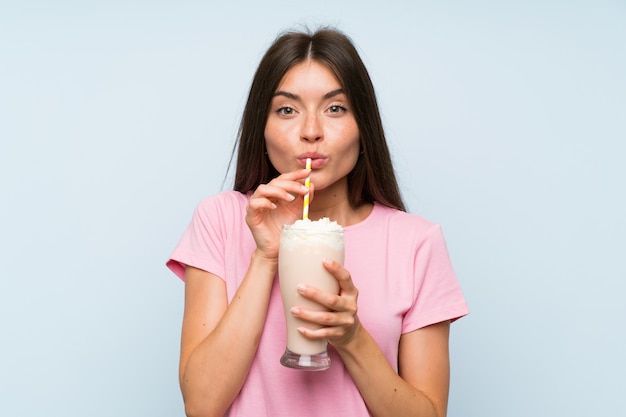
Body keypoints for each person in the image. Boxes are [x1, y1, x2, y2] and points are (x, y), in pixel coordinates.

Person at [166, 27, 468, 417]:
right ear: (262, 125)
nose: (311, 132)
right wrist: (266, 258)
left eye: (335, 108)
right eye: (287, 110)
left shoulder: (417, 243)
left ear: (364, 126)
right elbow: (201, 405)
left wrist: (352, 337)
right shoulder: (221, 220)